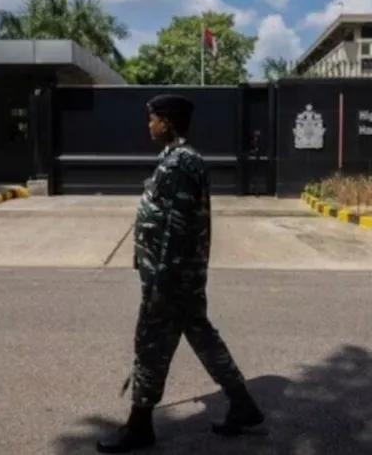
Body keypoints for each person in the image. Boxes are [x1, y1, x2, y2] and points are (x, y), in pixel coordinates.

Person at [96, 95, 264, 453]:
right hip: (178, 276)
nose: (149, 126)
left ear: (168, 122)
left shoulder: (179, 164)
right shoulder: (177, 160)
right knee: (202, 336)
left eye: (153, 119)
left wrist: (162, 280)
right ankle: (243, 405)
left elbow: (178, 227)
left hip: (169, 278)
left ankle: (139, 426)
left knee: (151, 345)